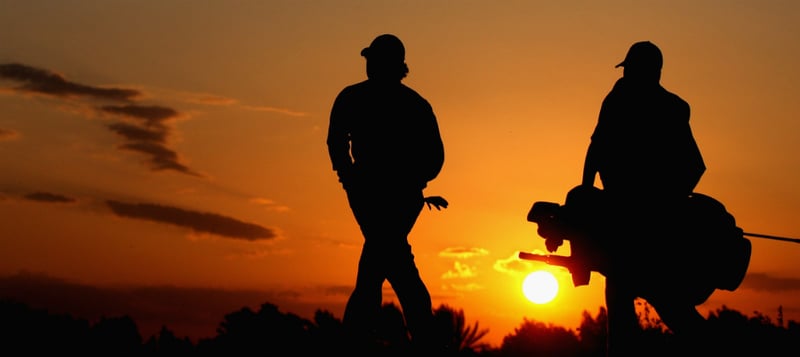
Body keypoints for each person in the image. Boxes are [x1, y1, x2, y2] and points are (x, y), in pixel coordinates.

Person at [580, 41, 707, 356]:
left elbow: (596, 150)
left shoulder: (630, 103)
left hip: (641, 227)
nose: (626, 76)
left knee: (641, 294)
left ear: (649, 72)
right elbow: (695, 167)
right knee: (655, 298)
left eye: (631, 69)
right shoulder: (668, 106)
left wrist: (663, 204)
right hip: (634, 221)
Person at [326, 33, 446, 354]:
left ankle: (356, 340)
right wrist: (349, 178)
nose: (369, 67)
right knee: (392, 264)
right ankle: (423, 340)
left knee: (379, 268)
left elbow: (434, 157)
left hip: (398, 197)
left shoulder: (415, 105)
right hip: (370, 194)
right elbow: (336, 141)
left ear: (391, 65)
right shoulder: (355, 98)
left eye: (374, 61)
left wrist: (410, 182)